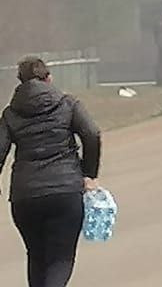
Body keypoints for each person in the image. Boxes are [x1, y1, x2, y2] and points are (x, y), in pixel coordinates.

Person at [0, 56, 102, 287]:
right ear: (49, 78)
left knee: (36, 256)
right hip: (65, 192)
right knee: (60, 259)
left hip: (24, 196)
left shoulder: (10, 114)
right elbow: (92, 134)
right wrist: (89, 174)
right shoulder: (68, 104)